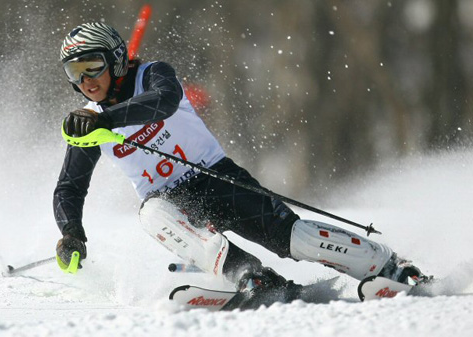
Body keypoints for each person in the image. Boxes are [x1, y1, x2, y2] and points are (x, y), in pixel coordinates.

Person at [54, 22, 428, 297]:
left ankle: (388, 266)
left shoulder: (153, 75)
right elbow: (69, 187)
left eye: (92, 65)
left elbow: (163, 103)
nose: (85, 80)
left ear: (116, 59)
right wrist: (71, 233)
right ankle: (250, 276)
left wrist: (106, 119)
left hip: (217, 177)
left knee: (293, 238)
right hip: (172, 202)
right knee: (151, 215)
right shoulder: (89, 123)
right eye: (75, 72)